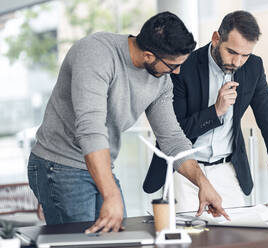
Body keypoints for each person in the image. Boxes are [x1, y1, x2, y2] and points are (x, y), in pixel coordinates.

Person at [27, 11, 229, 234]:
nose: (177, 71)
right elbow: (91, 129)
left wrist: (202, 182)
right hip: (59, 165)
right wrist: (111, 195)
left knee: (118, 238)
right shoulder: (96, 54)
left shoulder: (161, 80)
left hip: (99, 164)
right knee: (80, 242)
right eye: (173, 66)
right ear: (149, 56)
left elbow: (172, 137)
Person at [143, 10, 268, 212]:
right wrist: (216, 111)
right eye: (232, 52)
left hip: (228, 171)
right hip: (185, 172)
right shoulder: (183, 67)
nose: (237, 62)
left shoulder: (254, 67)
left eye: (244, 55)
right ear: (216, 38)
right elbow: (174, 132)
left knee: (237, 237)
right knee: (191, 240)